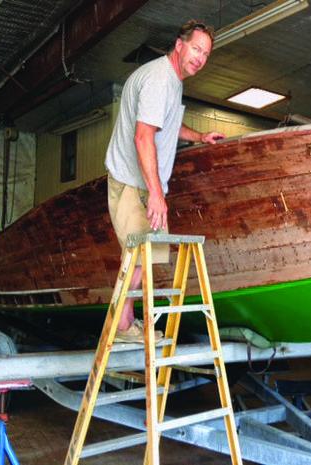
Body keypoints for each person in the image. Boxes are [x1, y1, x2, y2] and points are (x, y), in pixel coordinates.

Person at [105, 20, 224, 343]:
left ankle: (126, 323)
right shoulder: (160, 79)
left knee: (146, 255)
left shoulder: (172, 80)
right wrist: (157, 194)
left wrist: (199, 136)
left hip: (146, 184)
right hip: (133, 183)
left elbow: (165, 123)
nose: (200, 58)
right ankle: (122, 327)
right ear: (179, 44)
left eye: (206, 54)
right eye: (196, 49)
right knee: (138, 255)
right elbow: (143, 137)